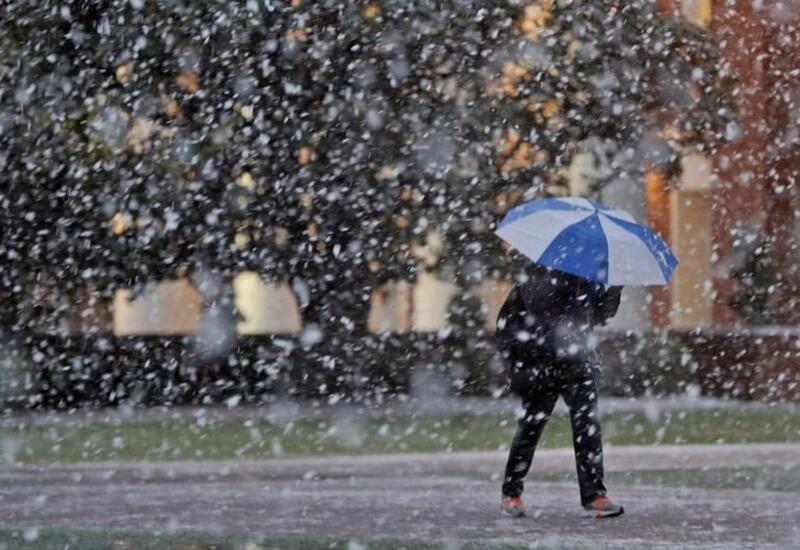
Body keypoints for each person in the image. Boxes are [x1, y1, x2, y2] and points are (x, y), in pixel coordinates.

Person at [495, 263, 624, 518]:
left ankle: (594, 495)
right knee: (531, 427)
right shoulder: (538, 274)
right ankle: (511, 492)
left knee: (588, 427)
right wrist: (517, 360)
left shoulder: (591, 278)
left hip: (579, 363)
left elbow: (600, 316)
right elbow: (514, 320)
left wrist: (614, 288)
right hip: (542, 363)